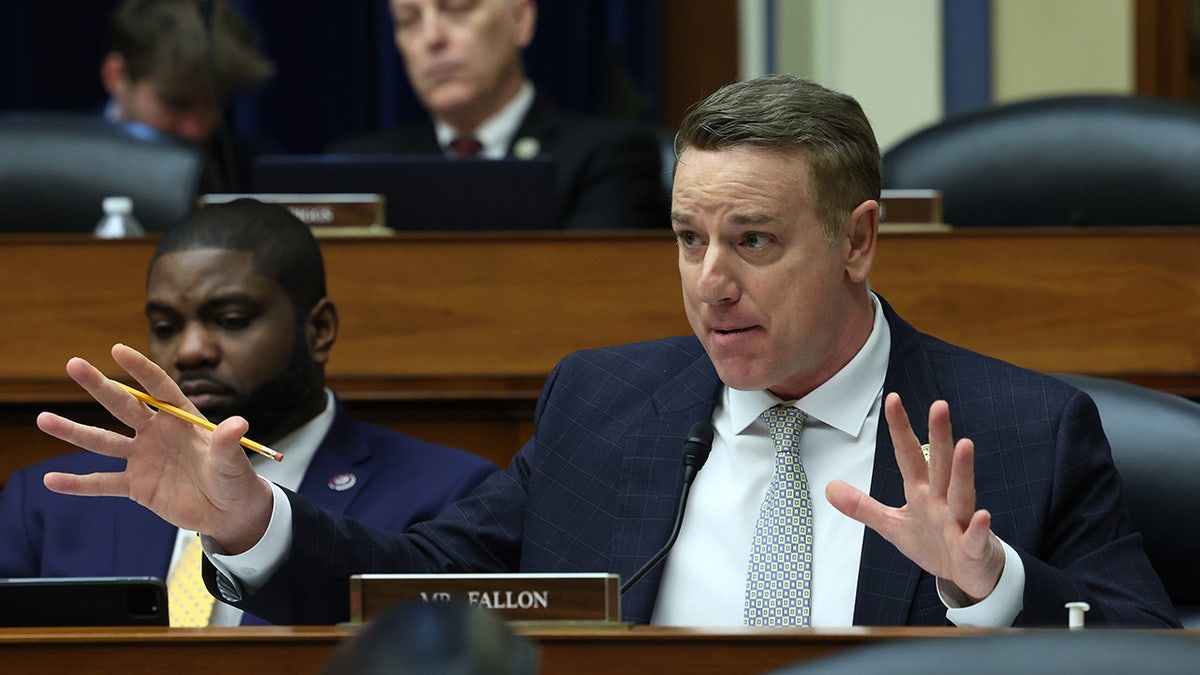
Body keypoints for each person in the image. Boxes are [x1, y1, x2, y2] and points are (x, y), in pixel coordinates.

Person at [37, 76, 1179, 629]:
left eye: (754, 242)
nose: (710, 282)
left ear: (859, 238)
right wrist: (248, 523)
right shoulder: (604, 403)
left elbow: (1145, 650)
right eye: (688, 239)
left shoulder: (1019, 427)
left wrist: (987, 584)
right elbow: (424, 584)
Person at [3, 199, 496, 625]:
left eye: (231, 320)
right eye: (166, 325)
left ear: (319, 329)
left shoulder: (448, 496)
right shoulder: (46, 501)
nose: (190, 350)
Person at [330, 0, 666, 230]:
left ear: (520, 19)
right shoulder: (356, 166)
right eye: (408, 20)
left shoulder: (608, 158)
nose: (431, 38)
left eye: (457, 8)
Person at [100, 0, 274, 192]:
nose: (196, 130)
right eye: (177, 104)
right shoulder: (67, 164)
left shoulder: (254, 173)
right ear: (116, 76)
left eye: (213, 103)